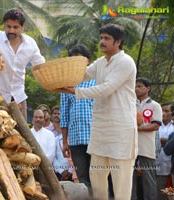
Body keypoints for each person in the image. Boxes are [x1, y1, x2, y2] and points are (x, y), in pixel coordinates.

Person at [60, 23, 137, 199]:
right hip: (101, 128)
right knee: (96, 174)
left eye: (106, 38)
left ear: (118, 42)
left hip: (120, 127)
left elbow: (107, 88)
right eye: (101, 37)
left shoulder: (125, 62)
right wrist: (63, 81)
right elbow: (83, 74)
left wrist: (75, 91)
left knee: (121, 178)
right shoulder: (101, 62)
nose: (102, 42)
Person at [0, 8, 45, 120]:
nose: (11, 31)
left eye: (15, 27)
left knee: (22, 136)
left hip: (18, 97)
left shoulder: (30, 44)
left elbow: (41, 65)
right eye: (8, 26)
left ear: (22, 27)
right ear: (4, 26)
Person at [60, 44, 96, 189]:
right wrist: (65, 142)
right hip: (75, 140)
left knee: (98, 177)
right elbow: (64, 114)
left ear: (87, 60)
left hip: (96, 138)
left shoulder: (97, 80)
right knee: (82, 179)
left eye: (80, 59)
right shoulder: (66, 84)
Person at [131, 77, 162, 200]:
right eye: (135, 86)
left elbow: (155, 125)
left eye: (139, 86)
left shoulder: (155, 105)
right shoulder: (131, 104)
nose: (136, 88)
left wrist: (137, 129)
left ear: (148, 88)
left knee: (148, 179)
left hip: (146, 147)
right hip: (130, 146)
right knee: (129, 179)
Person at [156, 103, 174, 200]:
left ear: (172, 113)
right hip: (156, 165)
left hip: (170, 166)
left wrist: (166, 142)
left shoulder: (173, 126)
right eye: (161, 111)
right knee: (158, 193)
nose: (163, 113)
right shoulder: (155, 125)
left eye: (166, 111)